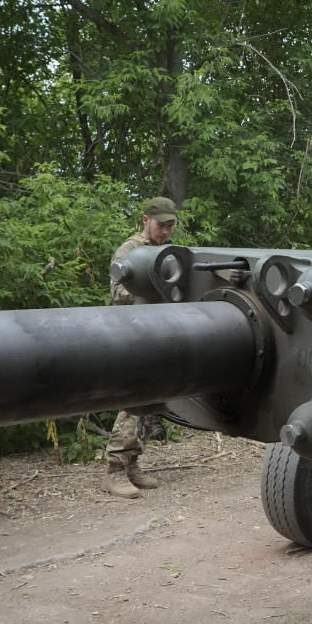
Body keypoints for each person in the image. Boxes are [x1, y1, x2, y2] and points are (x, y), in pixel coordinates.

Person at [103, 195, 178, 498]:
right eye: (162, 225)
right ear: (146, 220)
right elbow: (119, 292)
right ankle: (114, 471)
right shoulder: (130, 251)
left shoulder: (163, 251)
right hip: (133, 335)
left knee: (148, 402)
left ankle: (132, 465)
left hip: (155, 333)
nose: (166, 231)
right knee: (133, 402)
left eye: (171, 226)